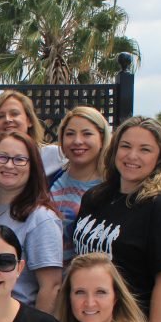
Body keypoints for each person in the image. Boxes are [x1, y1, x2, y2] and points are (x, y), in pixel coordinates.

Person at [73, 117, 161, 322]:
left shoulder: (160, 207)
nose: (132, 155)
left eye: (145, 149)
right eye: (125, 146)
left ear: (160, 158)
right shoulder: (95, 198)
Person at [0, 132, 63, 313]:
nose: (9, 165)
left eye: (20, 159)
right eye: (2, 157)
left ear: (32, 167)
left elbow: (51, 287)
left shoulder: (41, 218)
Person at [50, 106, 110, 263]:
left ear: (102, 139)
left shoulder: (112, 189)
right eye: (70, 134)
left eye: (87, 134)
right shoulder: (49, 180)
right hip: (47, 281)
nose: (77, 141)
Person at [0, 90, 64, 177]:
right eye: (0, 116)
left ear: (29, 121)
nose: (7, 119)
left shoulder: (55, 155)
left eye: (14, 114)